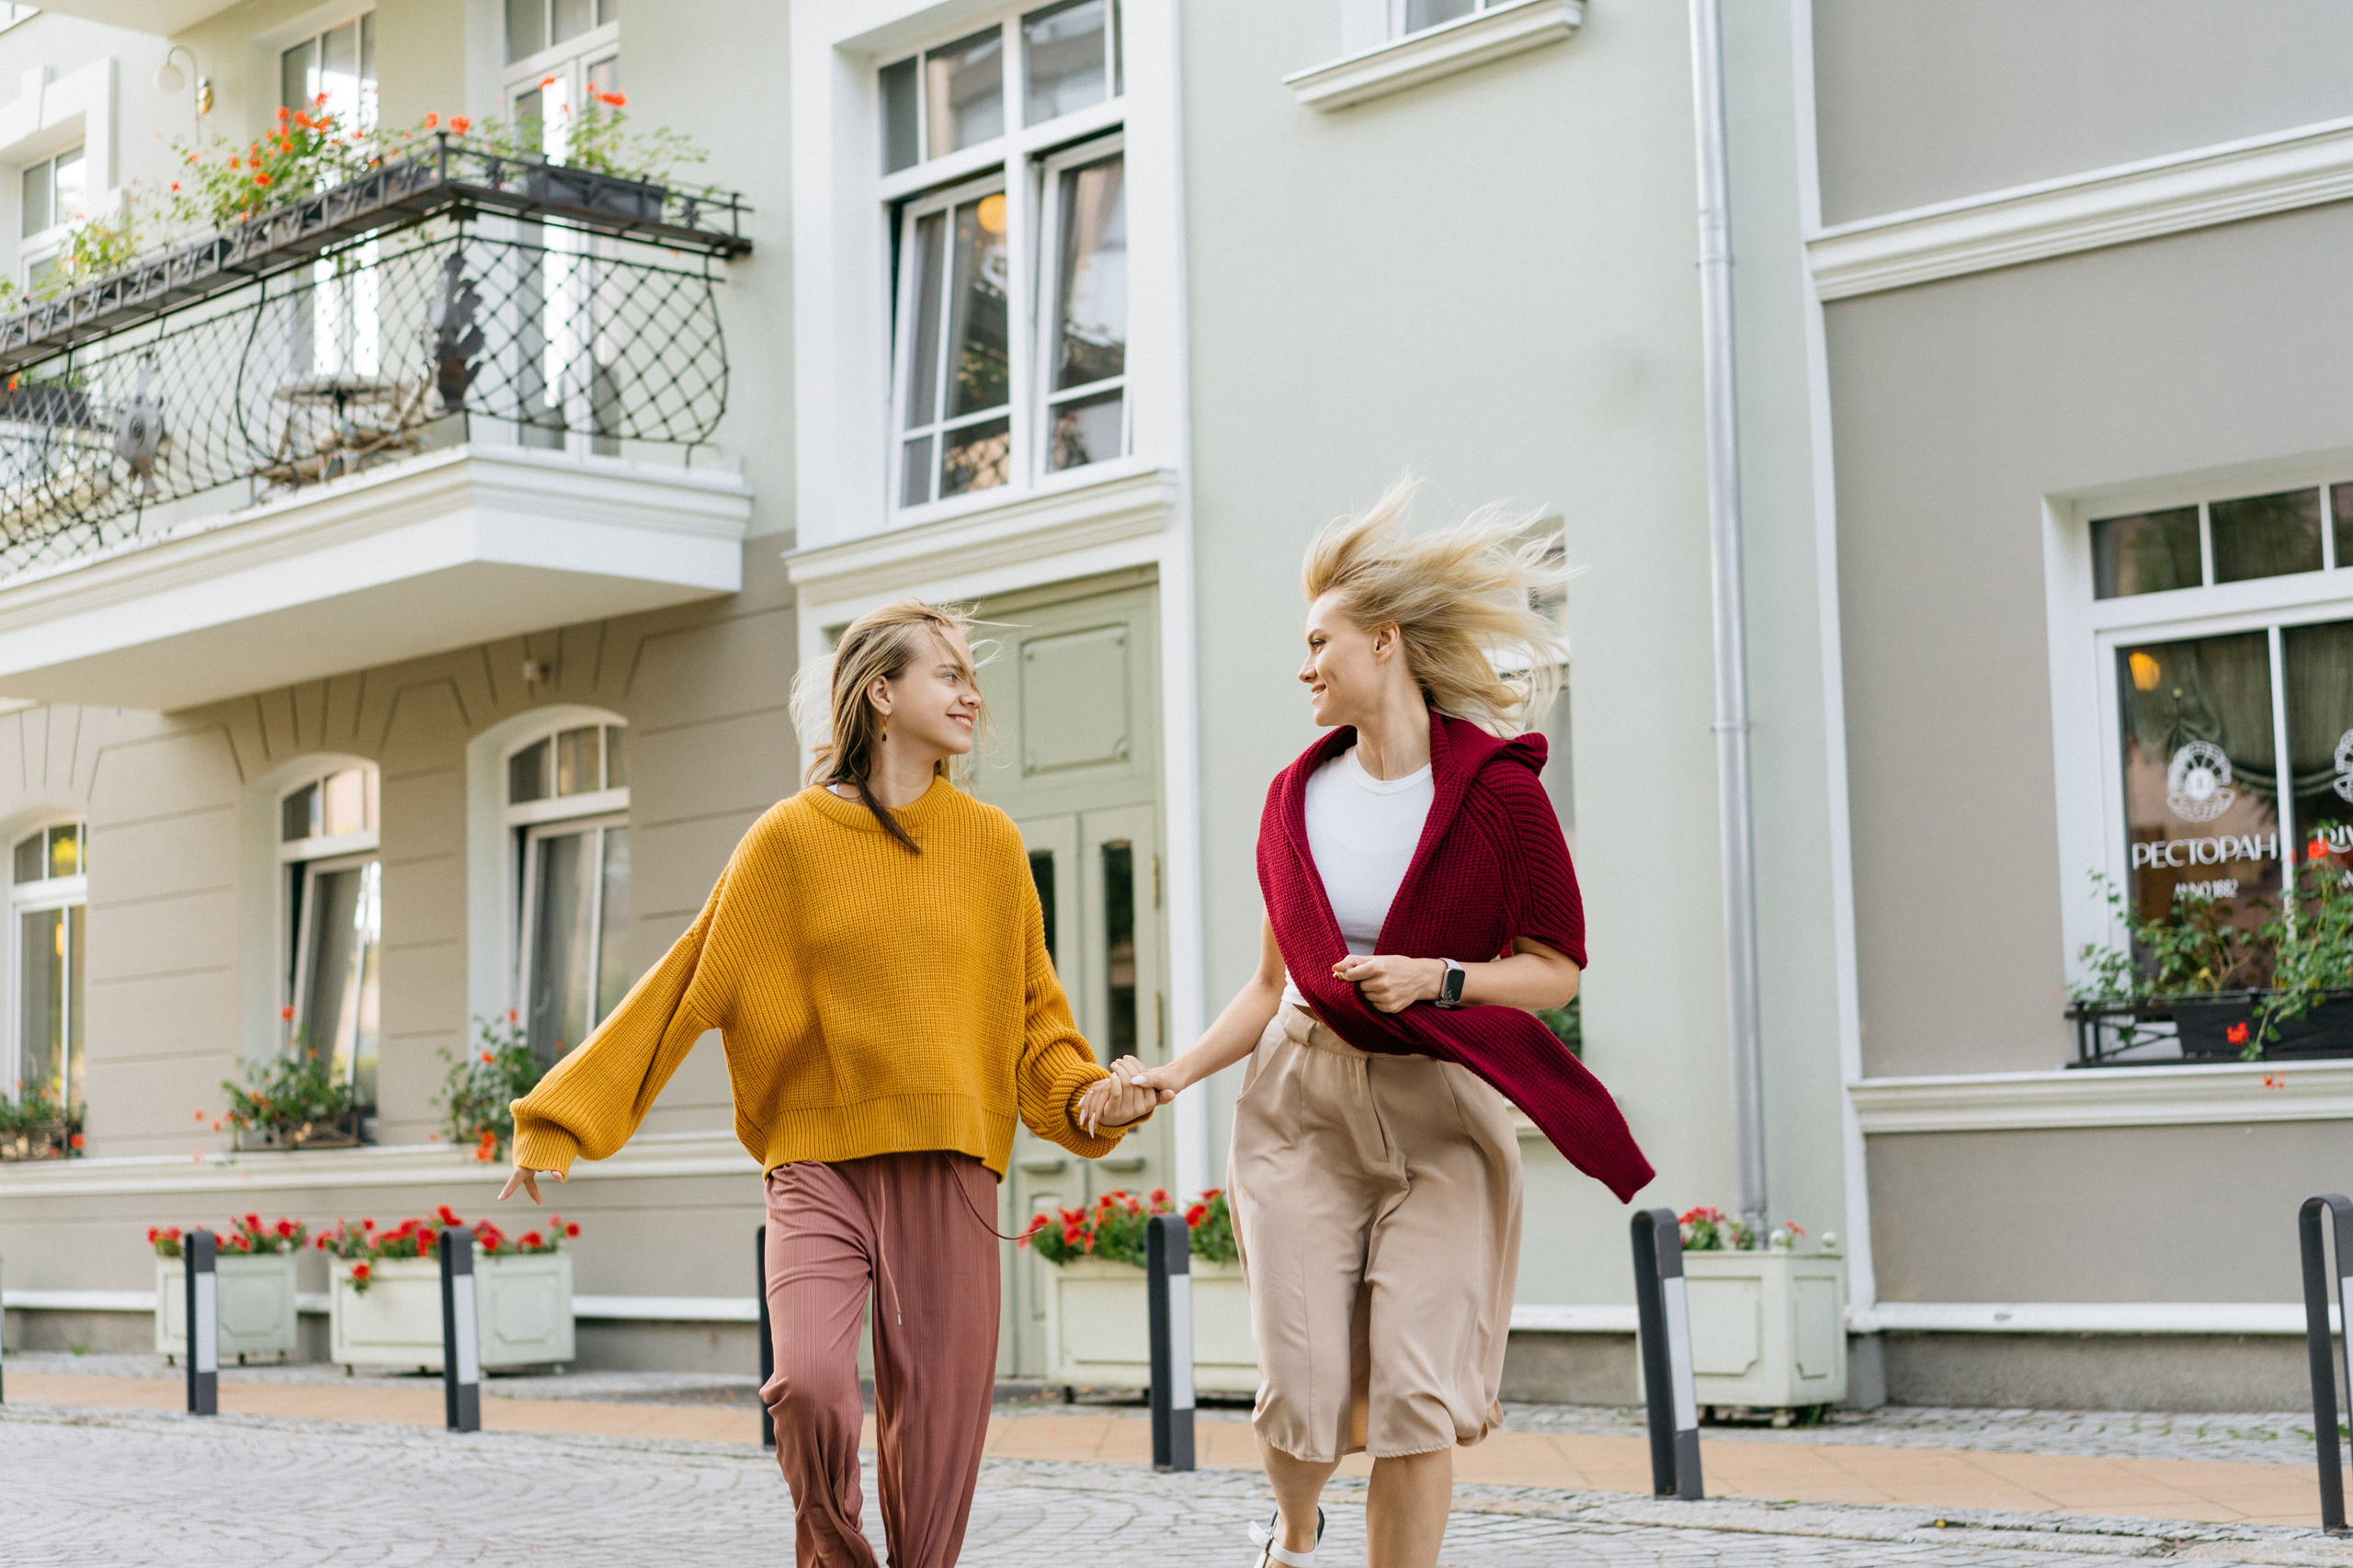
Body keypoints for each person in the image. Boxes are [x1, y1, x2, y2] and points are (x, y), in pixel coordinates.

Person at [499, 599, 1160, 1568]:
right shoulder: (788, 839)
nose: (972, 692)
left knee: (935, 1450)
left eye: (972, 674)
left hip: (951, 1172)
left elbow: (1036, 1025)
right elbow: (687, 977)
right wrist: (559, 1118)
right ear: (881, 692)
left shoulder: (990, 844)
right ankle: (832, 1550)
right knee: (808, 1379)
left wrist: (1092, 1096)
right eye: (947, 672)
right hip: (816, 1165)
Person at [1084, 482, 1653, 1568]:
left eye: (1318, 641)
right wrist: (1171, 1073)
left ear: (1383, 642)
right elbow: (1265, 985)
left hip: (1439, 1112)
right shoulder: (1292, 797)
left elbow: (1554, 973)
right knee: (1300, 1379)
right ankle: (1294, 1533)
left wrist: (1439, 978)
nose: (1302, 665)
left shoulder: (1499, 796)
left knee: (1416, 1390)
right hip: (1300, 1104)